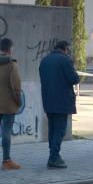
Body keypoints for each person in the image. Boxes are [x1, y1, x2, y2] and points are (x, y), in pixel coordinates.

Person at [39, 40, 79, 168]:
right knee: (60, 130)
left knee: (52, 129)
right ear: (65, 49)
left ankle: (53, 154)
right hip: (62, 100)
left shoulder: (44, 60)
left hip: (48, 99)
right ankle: (54, 157)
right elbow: (74, 79)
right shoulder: (65, 60)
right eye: (69, 50)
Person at [0, 37, 23, 170]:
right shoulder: (11, 64)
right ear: (9, 49)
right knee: (6, 131)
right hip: (8, 104)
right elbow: (16, 86)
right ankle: (6, 161)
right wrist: (18, 101)